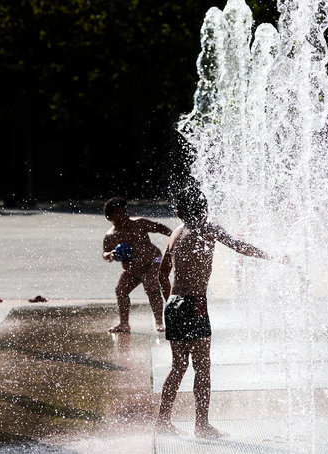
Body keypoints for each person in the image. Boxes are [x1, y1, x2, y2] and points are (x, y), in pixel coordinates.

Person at [155, 187, 275, 438]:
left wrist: (170, 302)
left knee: (178, 366)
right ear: (206, 210)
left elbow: (161, 274)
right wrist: (271, 256)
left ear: (178, 212)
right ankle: (202, 425)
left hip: (175, 304)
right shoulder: (209, 228)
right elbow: (239, 246)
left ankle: (163, 421)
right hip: (195, 304)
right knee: (202, 367)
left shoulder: (175, 234)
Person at [102, 197, 173, 333]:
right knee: (120, 291)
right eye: (119, 213)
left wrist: (174, 236)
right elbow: (104, 254)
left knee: (151, 285)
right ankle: (124, 324)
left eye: (125, 212)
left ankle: (159, 322)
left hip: (153, 261)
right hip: (132, 270)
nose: (124, 215)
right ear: (109, 217)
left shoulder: (138, 223)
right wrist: (111, 254)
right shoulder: (110, 236)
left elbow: (158, 227)